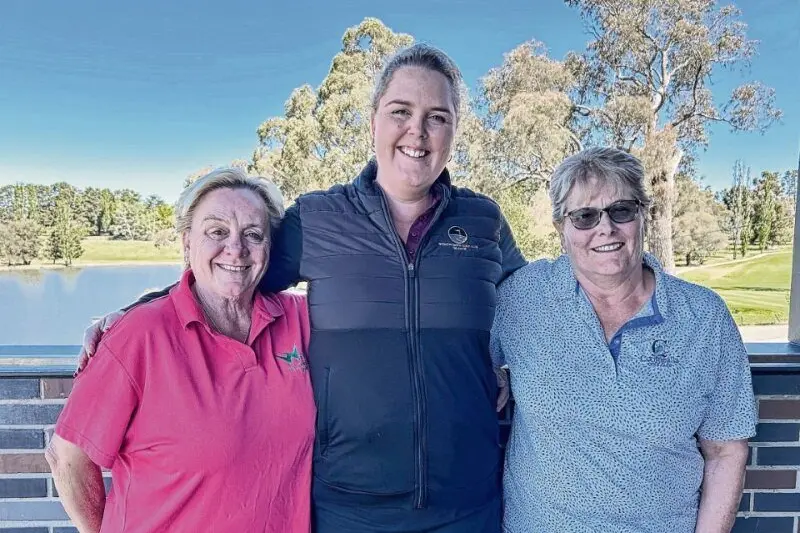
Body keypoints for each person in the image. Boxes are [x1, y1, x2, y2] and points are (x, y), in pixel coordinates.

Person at [77, 44, 525, 533]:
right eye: (401, 111)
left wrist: (510, 357)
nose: (417, 132)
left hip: (469, 506)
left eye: (437, 116)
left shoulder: (482, 221)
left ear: (454, 130)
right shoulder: (318, 219)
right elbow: (232, 270)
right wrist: (138, 312)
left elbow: (529, 303)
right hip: (347, 511)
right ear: (374, 119)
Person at [490, 147, 756, 533]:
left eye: (621, 211)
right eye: (584, 216)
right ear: (561, 229)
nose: (605, 228)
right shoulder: (521, 298)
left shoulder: (703, 317)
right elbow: (466, 347)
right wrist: (491, 369)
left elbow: (725, 450)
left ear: (643, 215)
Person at [47, 169, 315, 533]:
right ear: (187, 242)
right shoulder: (138, 335)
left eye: (253, 234)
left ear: (270, 247)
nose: (235, 248)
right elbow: (67, 458)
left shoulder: (301, 320)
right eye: (216, 231)